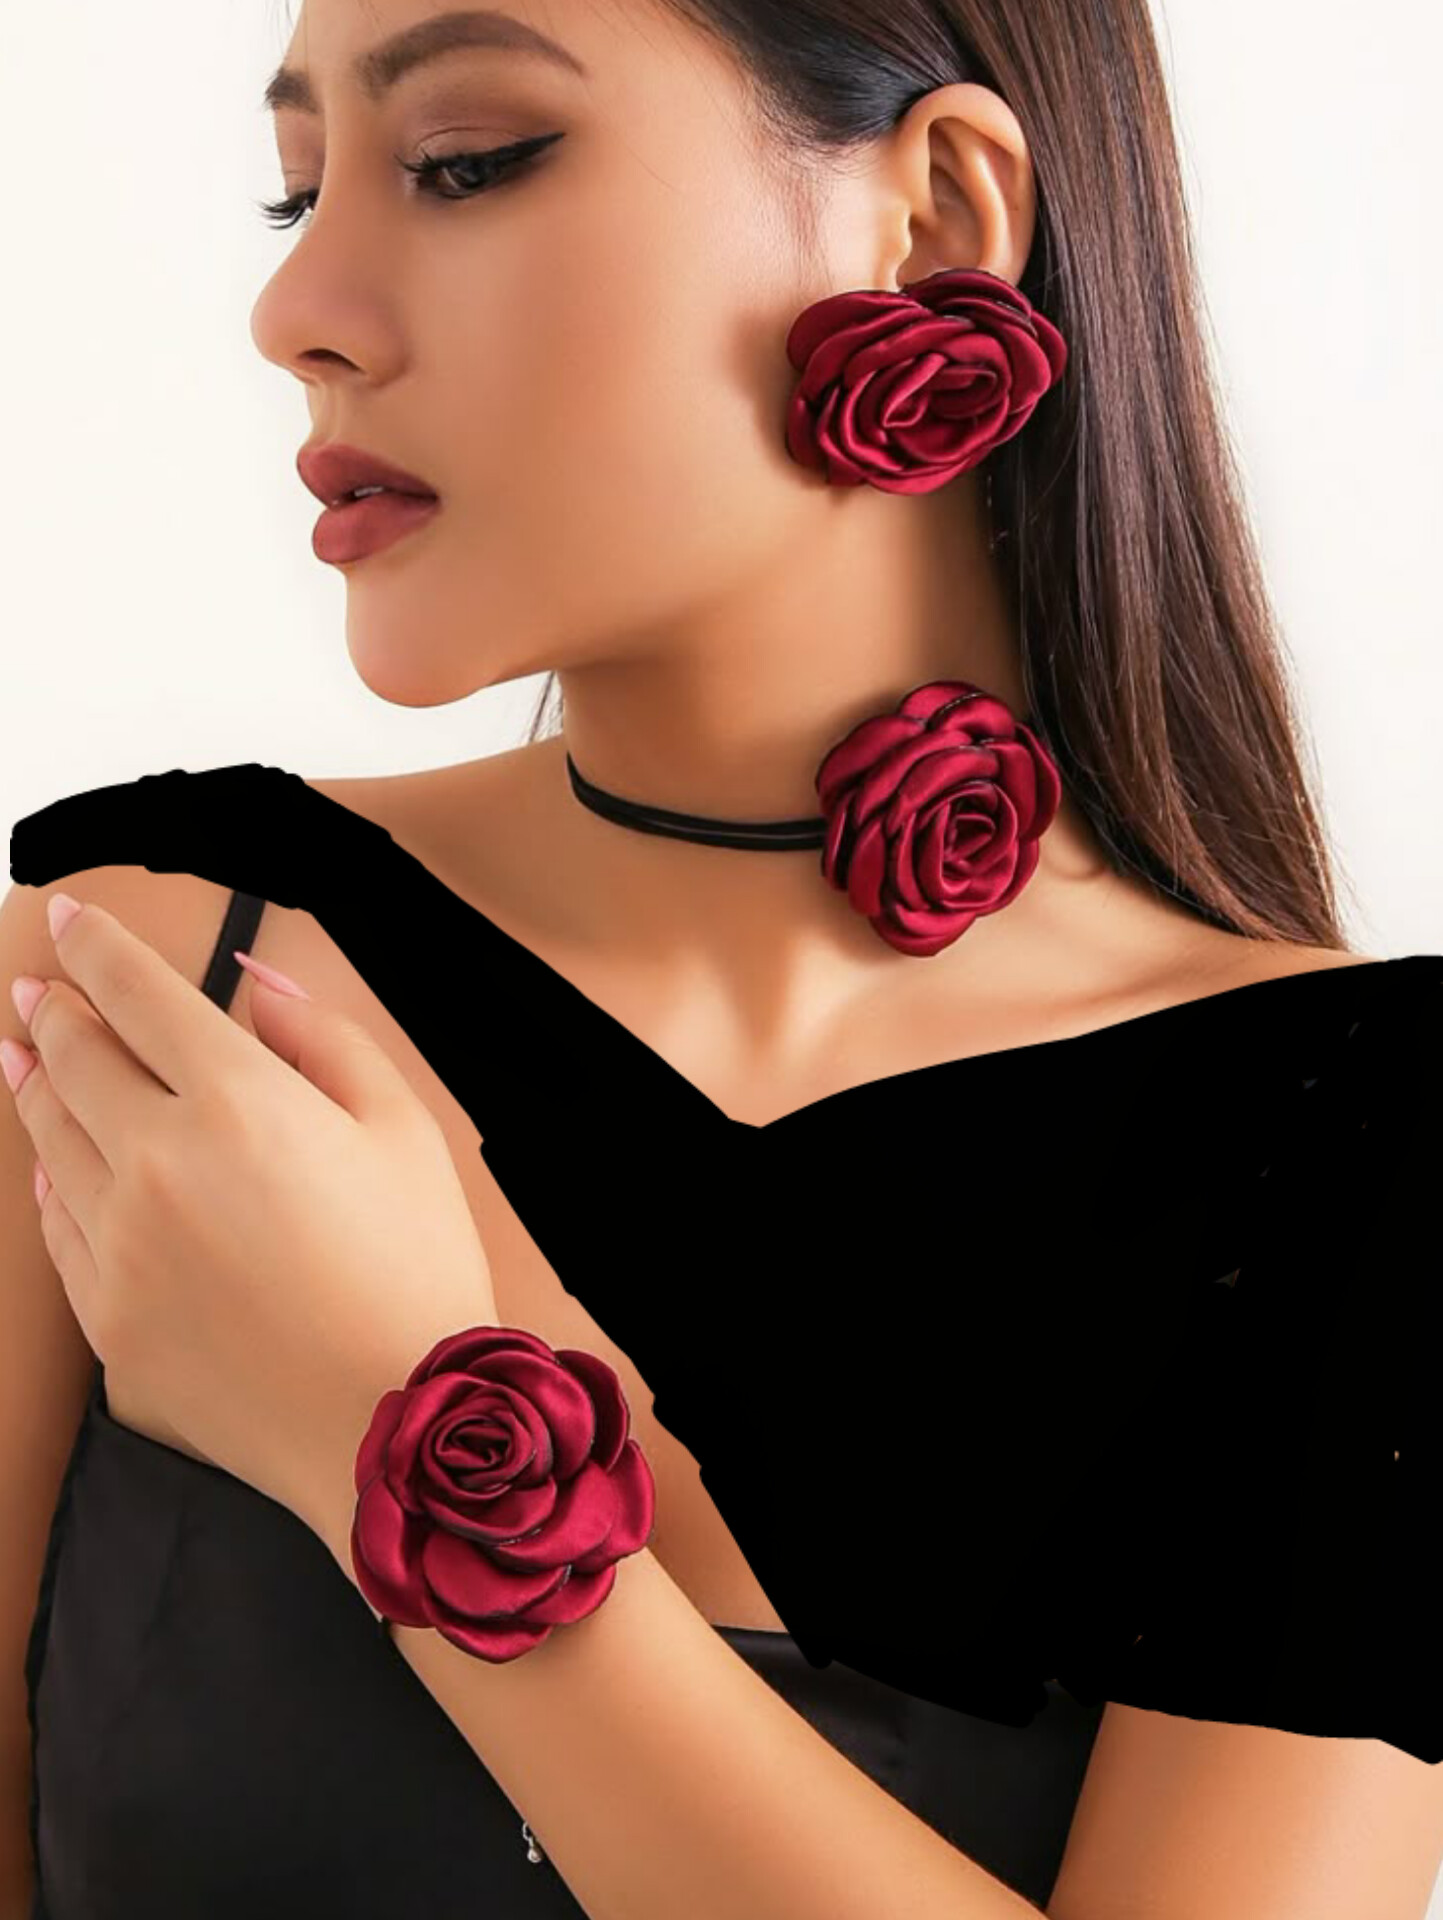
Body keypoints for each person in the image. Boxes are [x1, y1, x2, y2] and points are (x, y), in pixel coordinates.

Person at [3, 1, 1441, 1916]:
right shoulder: (133, 977)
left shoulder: (1358, 1143)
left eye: (465, 163)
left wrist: (379, 1415)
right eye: (297, 194)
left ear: (938, 216)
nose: (300, 313)